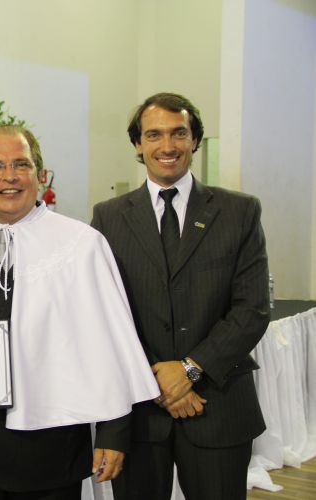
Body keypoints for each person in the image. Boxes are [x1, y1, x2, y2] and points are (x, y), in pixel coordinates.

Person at [0, 125, 159, 500]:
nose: (9, 176)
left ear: (40, 175)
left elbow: (111, 342)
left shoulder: (81, 244)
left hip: (51, 449)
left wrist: (113, 432)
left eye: (20, 164)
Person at [91, 92, 269, 500]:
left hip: (217, 407)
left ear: (195, 140)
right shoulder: (108, 217)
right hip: (138, 411)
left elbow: (252, 309)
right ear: (138, 145)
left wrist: (189, 370)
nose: (167, 146)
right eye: (154, 135)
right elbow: (104, 313)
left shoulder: (240, 212)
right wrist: (157, 379)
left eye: (178, 133)